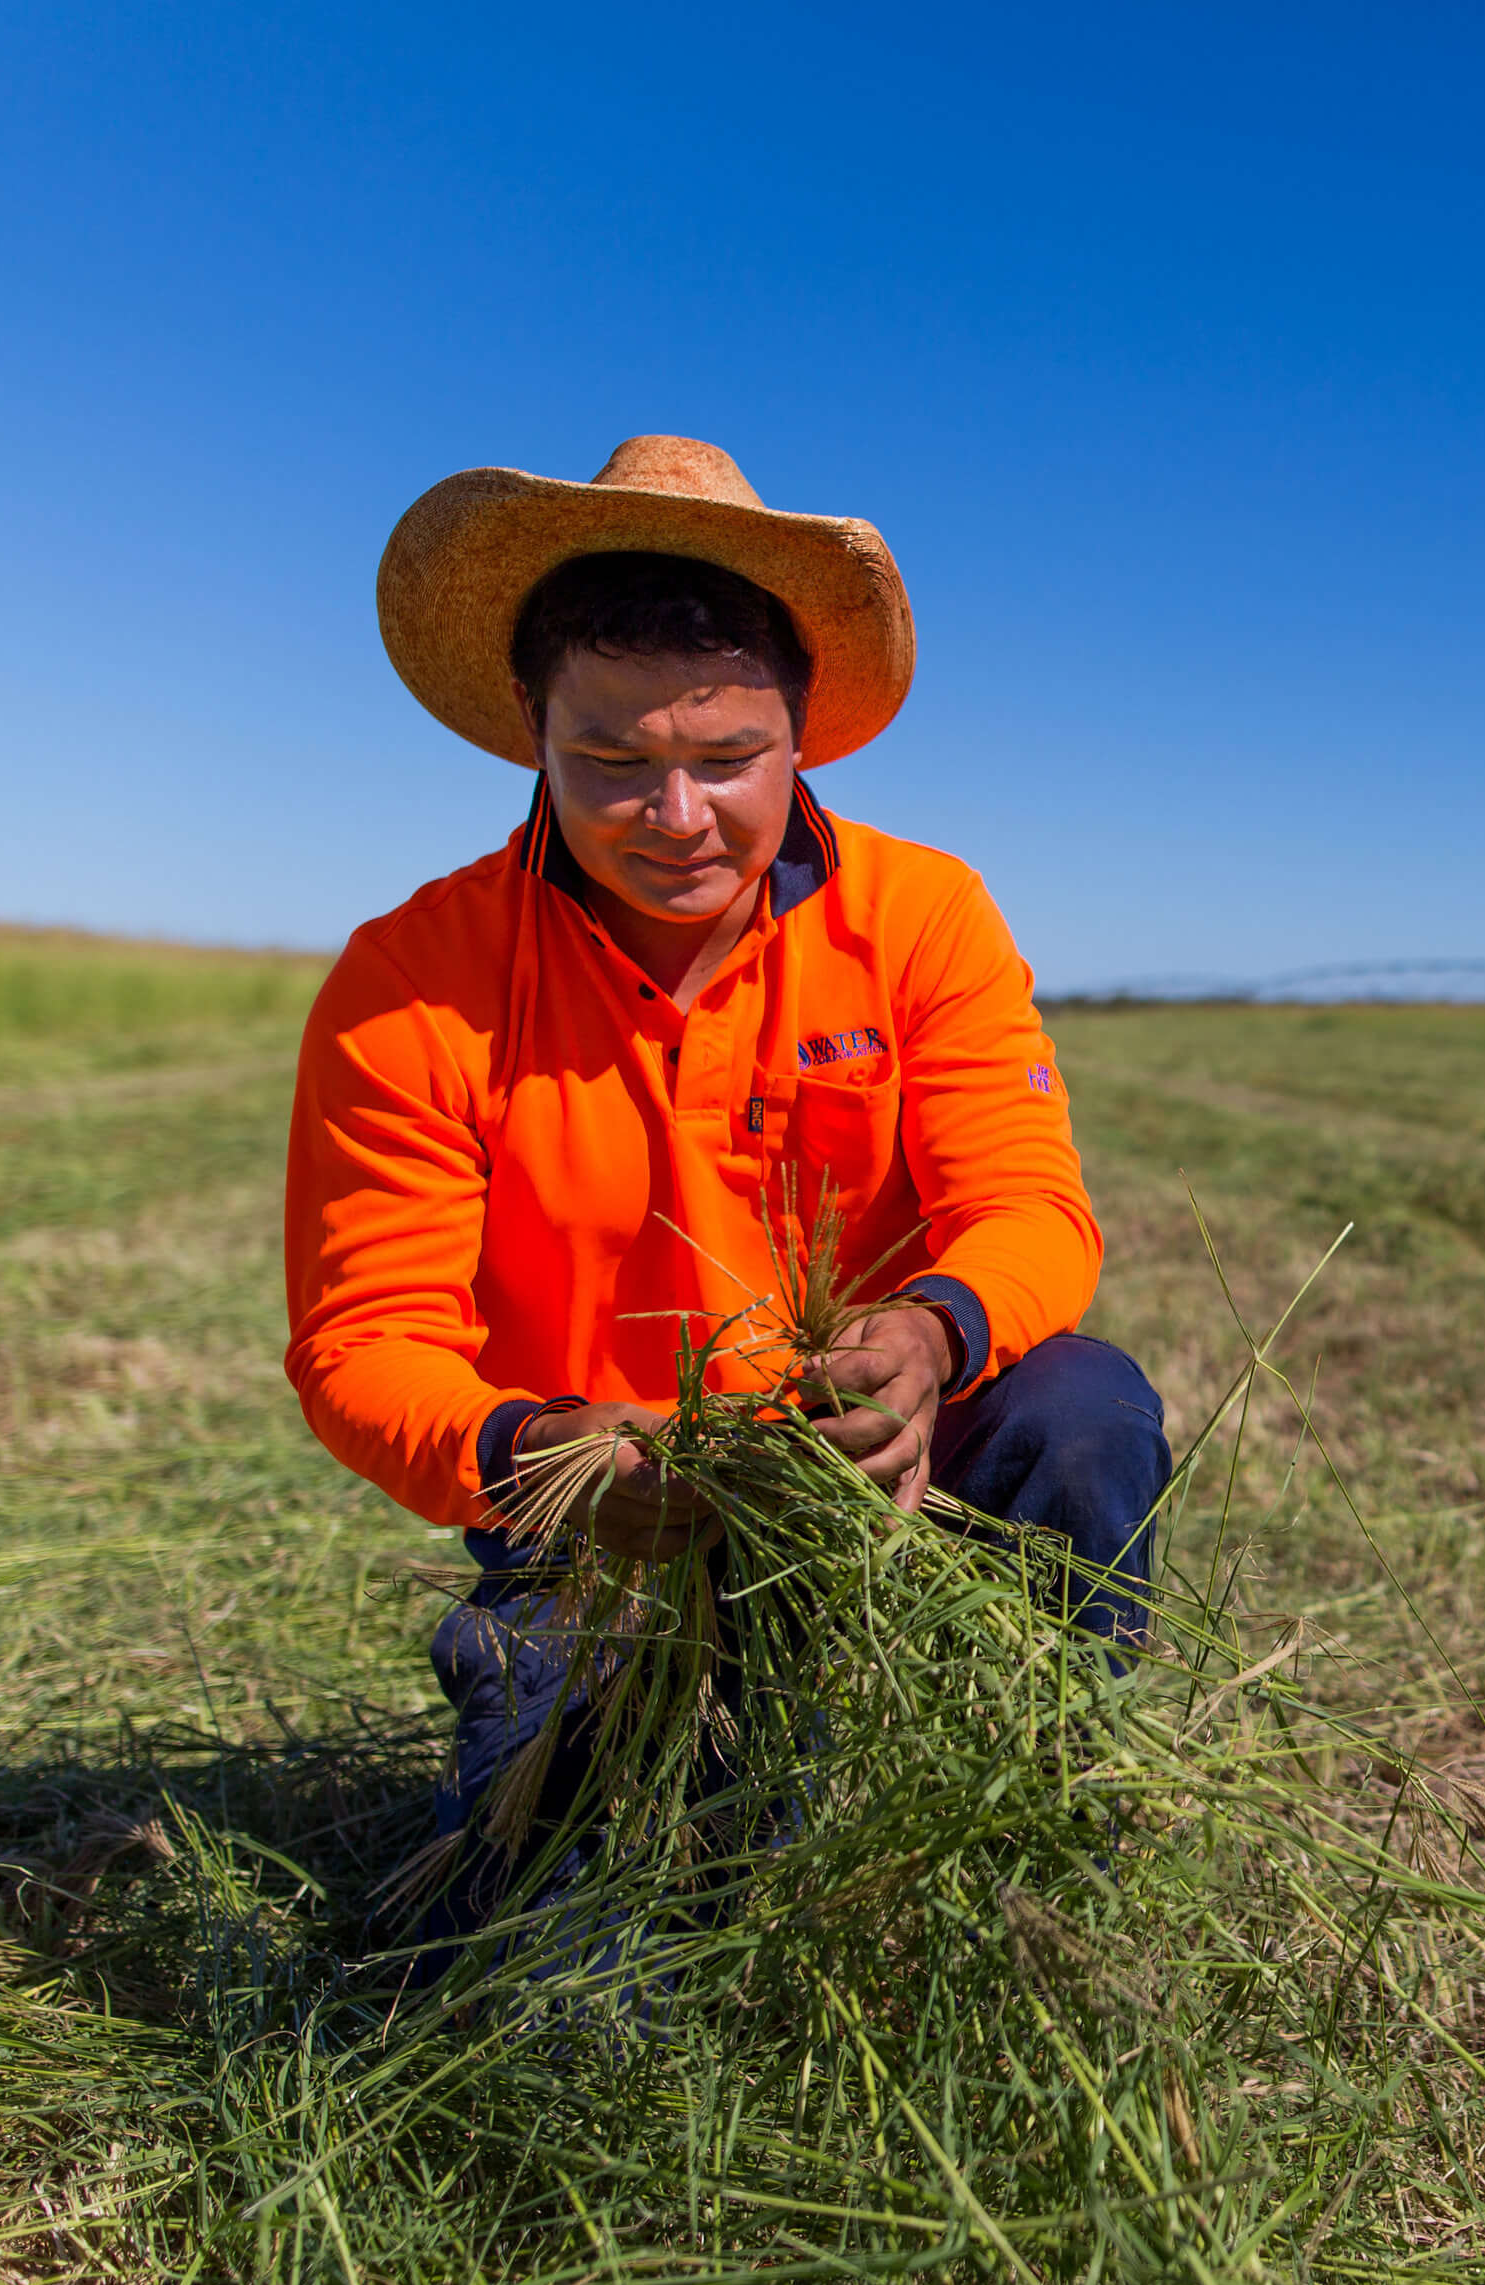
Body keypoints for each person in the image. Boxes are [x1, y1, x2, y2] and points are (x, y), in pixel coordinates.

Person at [285, 435, 1168, 1948]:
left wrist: (937, 1336)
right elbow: (362, 1349)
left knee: (1080, 1410)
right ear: (531, 734)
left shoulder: (923, 917)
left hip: (886, 1490)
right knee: (550, 1984)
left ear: (802, 736)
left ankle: (1040, 1802)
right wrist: (544, 1452)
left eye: (726, 762)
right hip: (604, 1528)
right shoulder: (409, 984)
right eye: (612, 762)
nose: (674, 816)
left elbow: (1033, 1212)